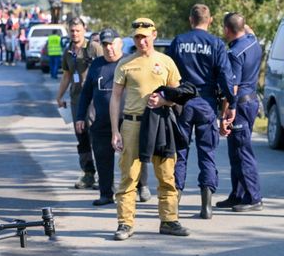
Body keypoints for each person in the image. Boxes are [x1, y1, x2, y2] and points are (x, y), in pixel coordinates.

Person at [110, 17, 190, 240]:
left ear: (154, 35)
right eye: (137, 37)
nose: (141, 41)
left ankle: (169, 220)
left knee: (166, 175)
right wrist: (115, 131)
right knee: (129, 176)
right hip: (132, 125)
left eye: (144, 37)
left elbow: (178, 94)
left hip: (161, 124)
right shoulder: (125, 63)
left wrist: (165, 102)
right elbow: (115, 98)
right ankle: (125, 223)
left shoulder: (166, 61)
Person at [166, 3, 236, 219]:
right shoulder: (216, 44)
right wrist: (231, 104)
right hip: (206, 104)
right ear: (211, 20)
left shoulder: (178, 42)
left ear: (190, 19)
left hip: (182, 104)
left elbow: (167, 71)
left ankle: (175, 201)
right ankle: (206, 205)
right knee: (207, 153)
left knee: (181, 153)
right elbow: (226, 77)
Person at [217, 12, 263, 212]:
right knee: (235, 150)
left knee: (242, 151)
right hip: (251, 100)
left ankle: (253, 198)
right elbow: (248, 29)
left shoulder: (234, 54)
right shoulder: (253, 41)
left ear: (227, 30)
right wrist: (237, 19)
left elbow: (232, 88)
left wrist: (226, 113)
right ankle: (238, 194)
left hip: (240, 104)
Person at [76, 28, 124, 205]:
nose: (108, 48)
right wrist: (80, 116)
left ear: (119, 43)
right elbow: (86, 93)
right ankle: (106, 193)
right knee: (103, 157)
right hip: (102, 121)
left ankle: (140, 187)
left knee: (132, 159)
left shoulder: (129, 62)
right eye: (105, 44)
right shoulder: (96, 65)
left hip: (126, 120)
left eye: (112, 43)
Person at [55, 17, 103, 188]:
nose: (75, 34)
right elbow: (67, 75)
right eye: (72, 31)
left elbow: (107, 69)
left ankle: (104, 175)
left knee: (96, 137)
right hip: (76, 100)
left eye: (78, 30)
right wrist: (59, 96)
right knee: (81, 137)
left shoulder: (94, 47)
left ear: (84, 29)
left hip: (94, 100)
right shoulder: (68, 51)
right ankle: (88, 173)